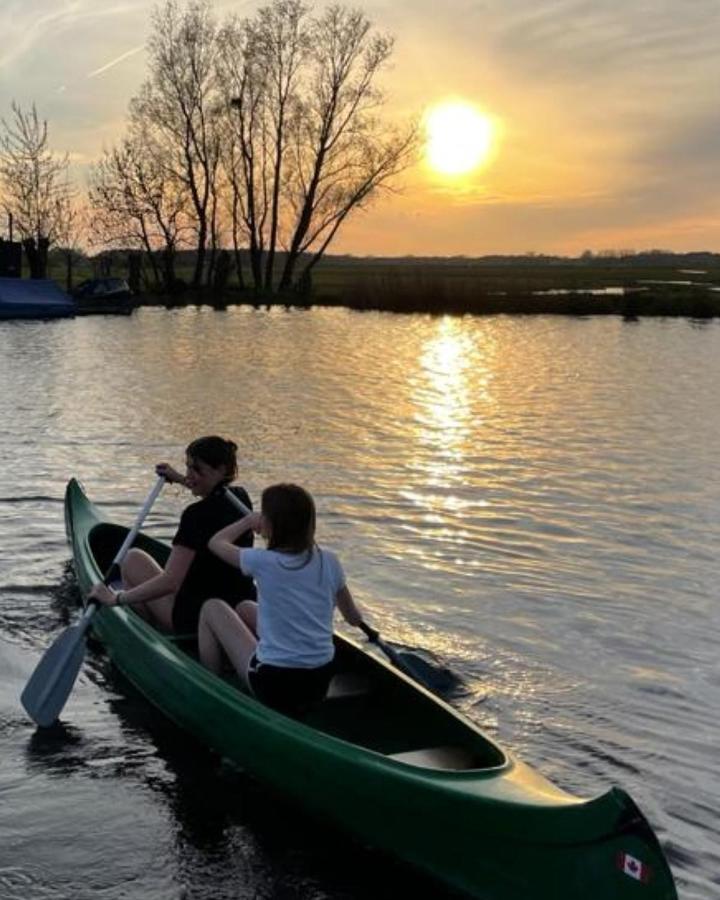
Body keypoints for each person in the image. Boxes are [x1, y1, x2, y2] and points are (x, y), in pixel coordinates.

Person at [198, 482, 367, 717]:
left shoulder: (262, 561)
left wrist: (247, 522)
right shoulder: (330, 561)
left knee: (212, 607)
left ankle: (212, 689)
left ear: (272, 524)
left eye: (263, 514)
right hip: (319, 680)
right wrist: (359, 621)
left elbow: (215, 543)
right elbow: (352, 617)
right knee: (246, 606)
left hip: (275, 683)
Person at [89, 435, 256, 633]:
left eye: (196, 469)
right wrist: (178, 478)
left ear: (220, 470)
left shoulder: (195, 515)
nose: (189, 474)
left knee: (132, 559)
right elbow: (215, 494)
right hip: (238, 610)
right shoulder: (240, 498)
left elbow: (171, 582)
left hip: (193, 619)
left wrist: (115, 598)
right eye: (188, 467)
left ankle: (150, 634)